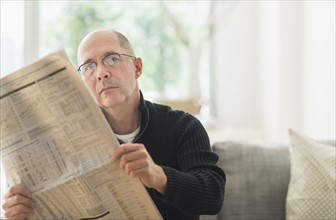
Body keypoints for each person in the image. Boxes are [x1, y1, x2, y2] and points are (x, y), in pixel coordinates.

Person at [2, 29, 226, 220]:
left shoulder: (183, 126)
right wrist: (21, 210)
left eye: (112, 58)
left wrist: (159, 177)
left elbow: (213, 196)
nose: (101, 73)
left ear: (137, 67)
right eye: (89, 66)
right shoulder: (66, 140)